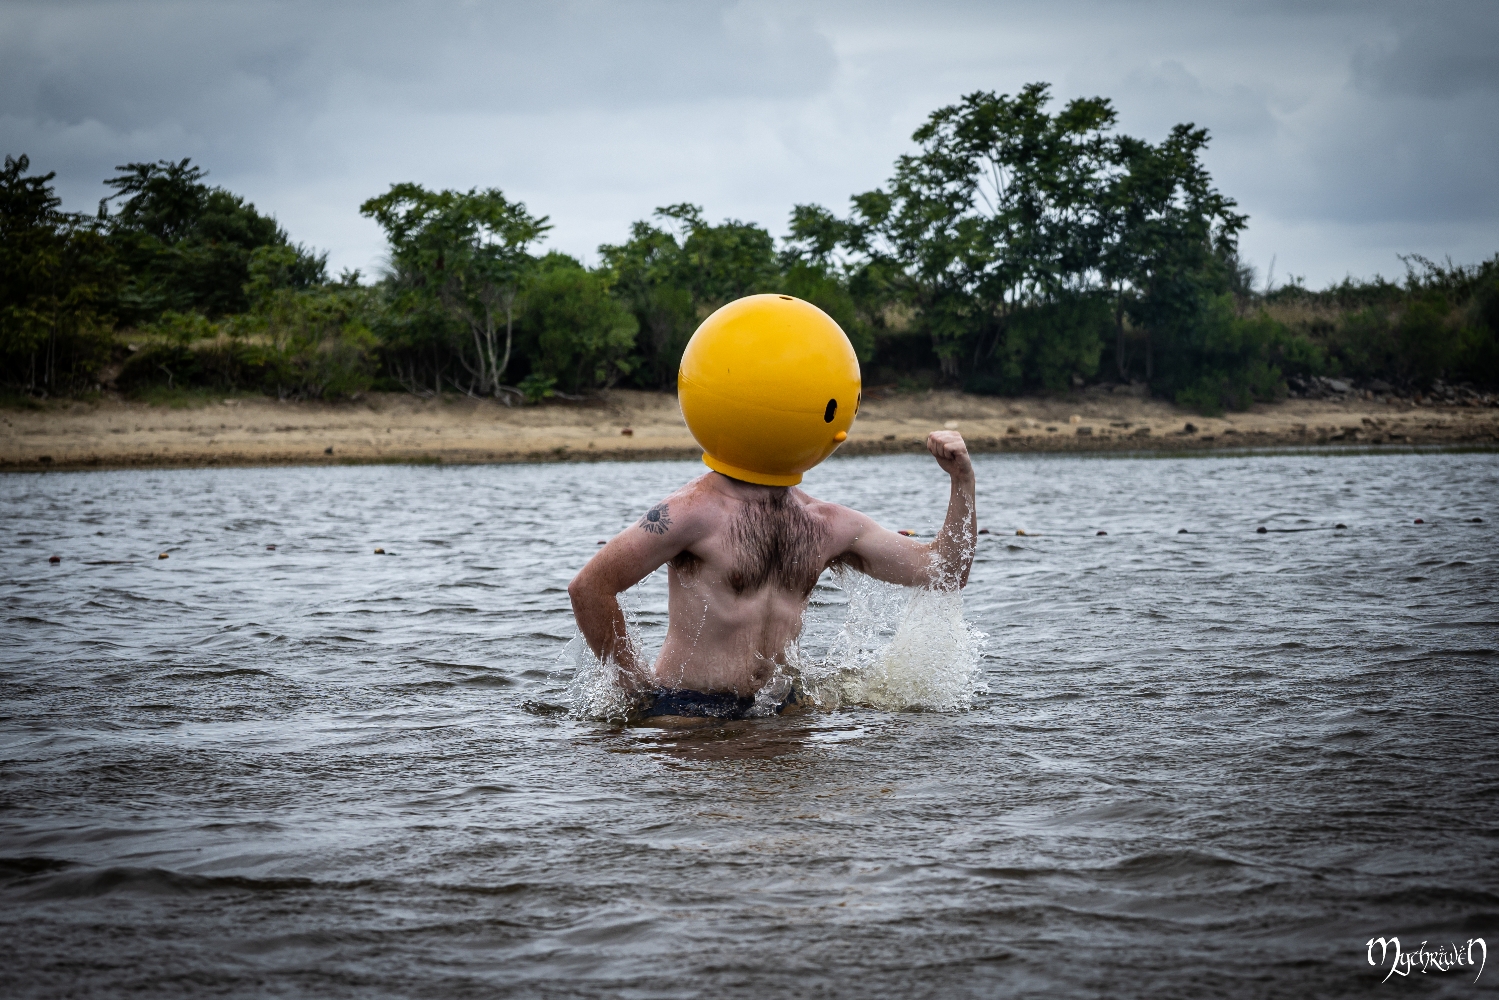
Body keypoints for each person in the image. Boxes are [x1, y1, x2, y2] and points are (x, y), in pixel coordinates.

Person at [568, 429, 976, 720]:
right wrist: (635, 689)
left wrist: (962, 480)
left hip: (782, 711)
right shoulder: (690, 513)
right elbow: (590, 587)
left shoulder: (828, 523)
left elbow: (945, 571)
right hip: (686, 713)